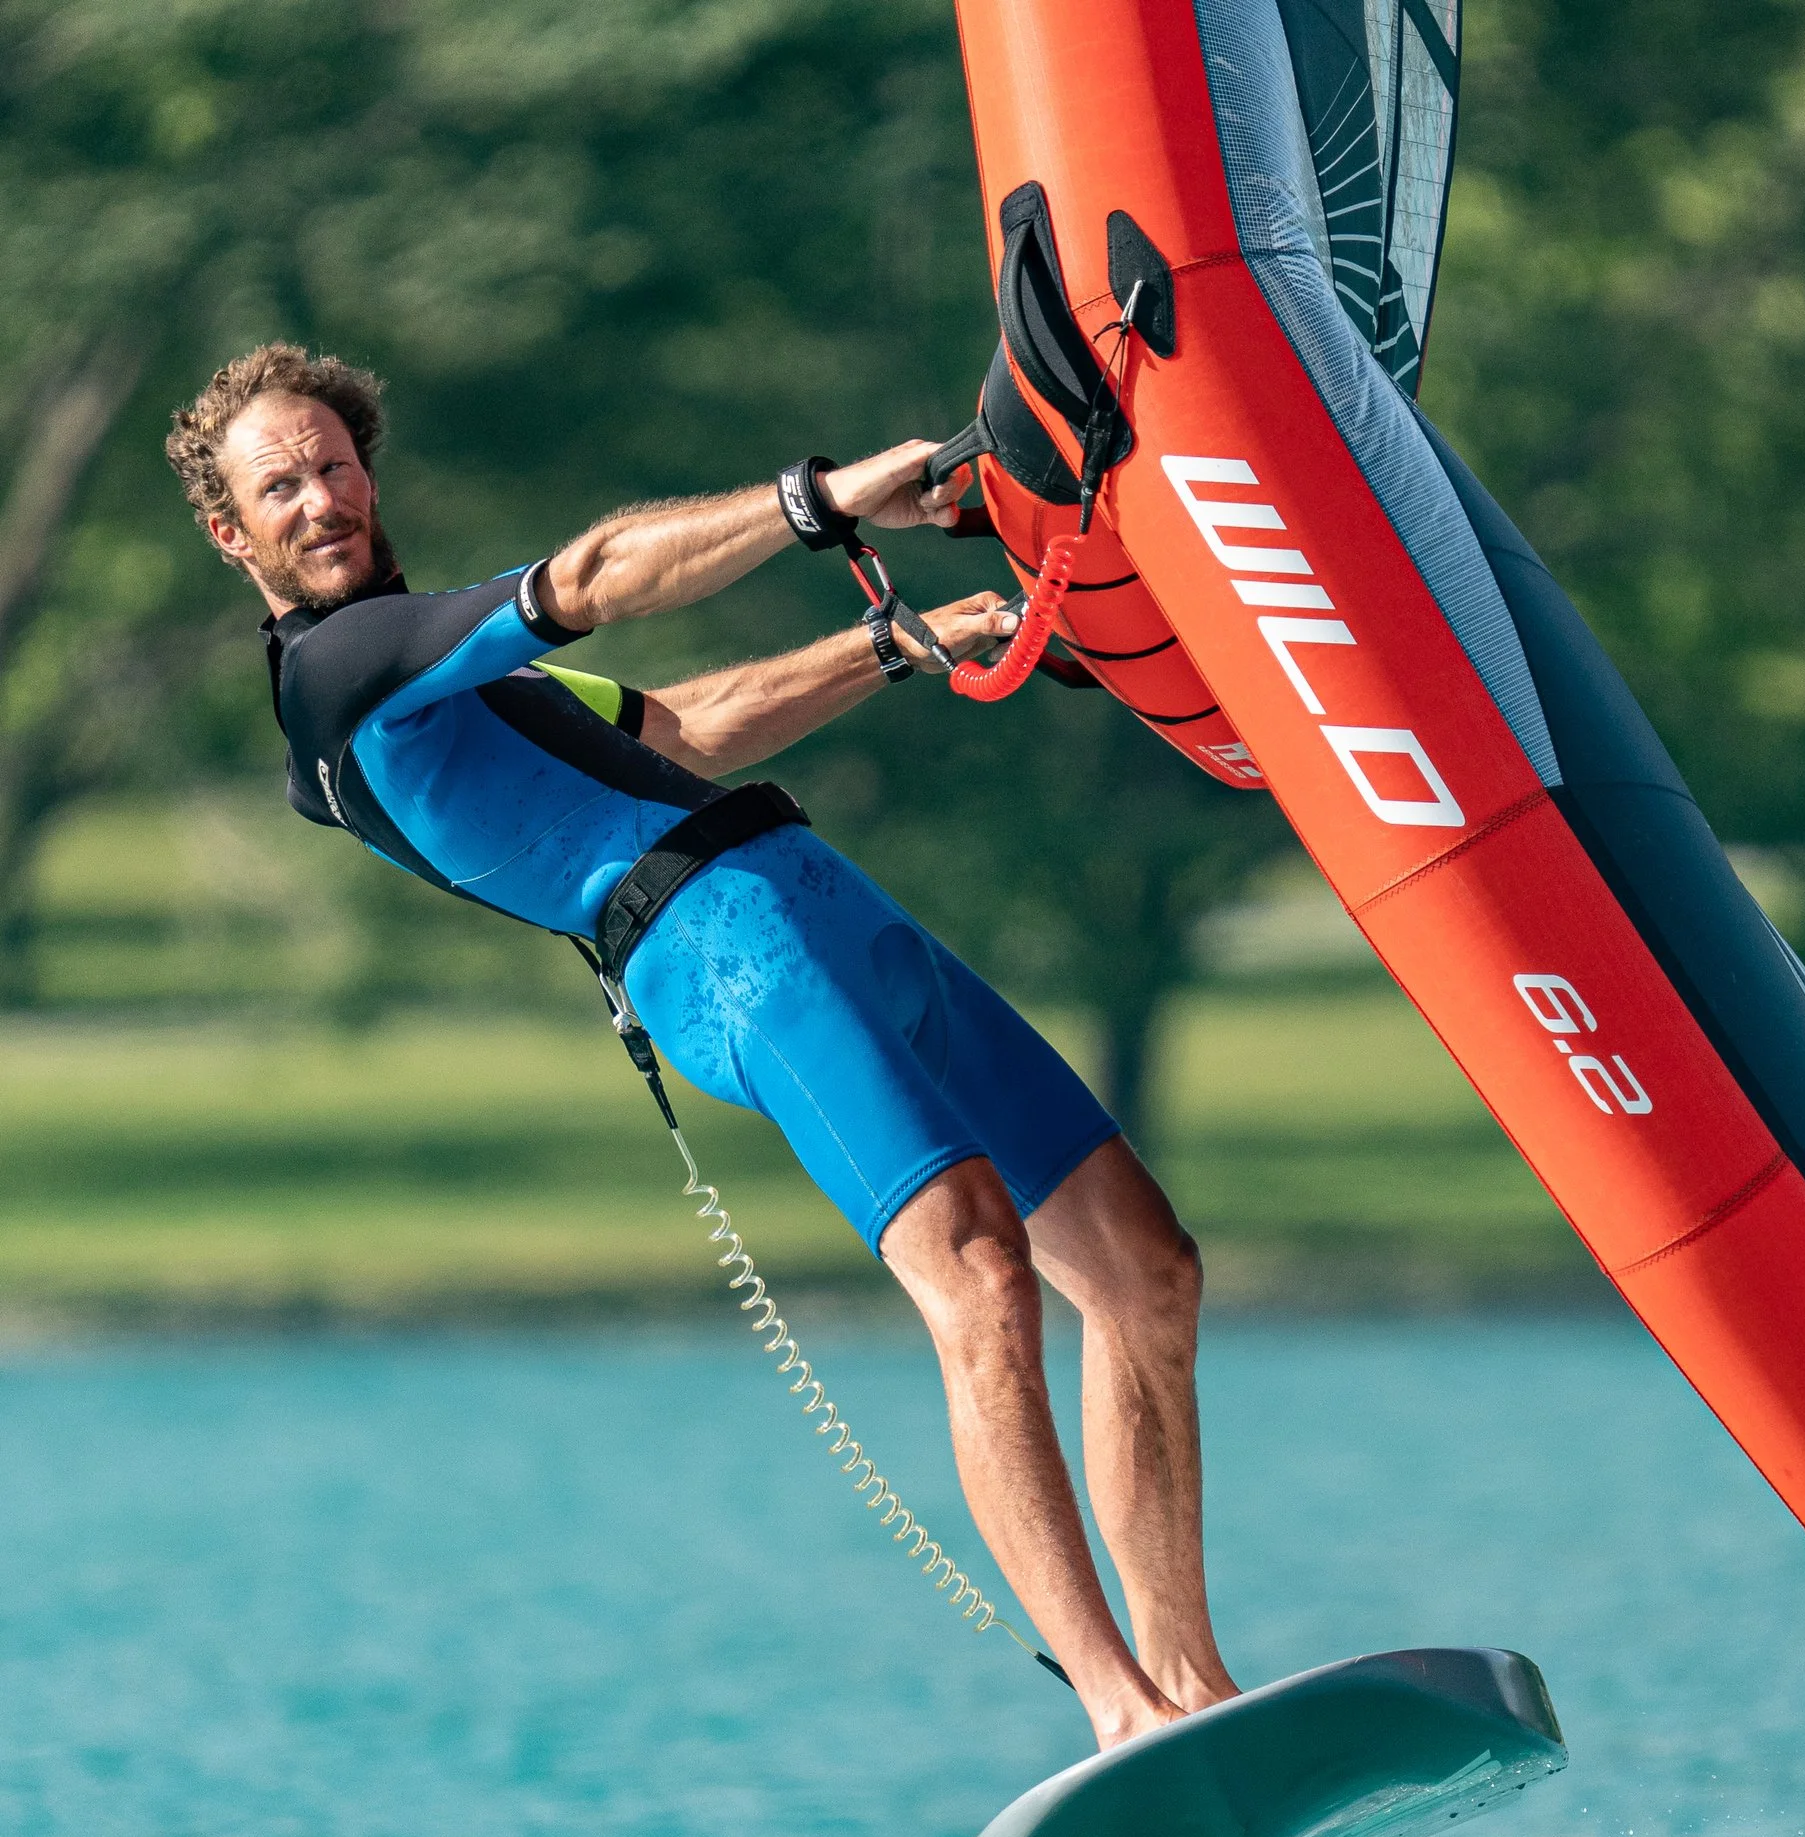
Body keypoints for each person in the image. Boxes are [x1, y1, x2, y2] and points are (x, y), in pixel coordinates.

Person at [165, 342, 1237, 1750]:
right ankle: (1120, 1711)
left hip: (831, 910)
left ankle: (1197, 1686)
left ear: (367, 465)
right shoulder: (338, 677)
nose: (317, 499)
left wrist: (893, 644)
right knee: (979, 1273)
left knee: (1147, 1272)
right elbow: (598, 575)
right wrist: (831, 500)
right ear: (228, 528)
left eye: (330, 464)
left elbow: (682, 728)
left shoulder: (440, 664)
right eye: (277, 485)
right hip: (728, 957)